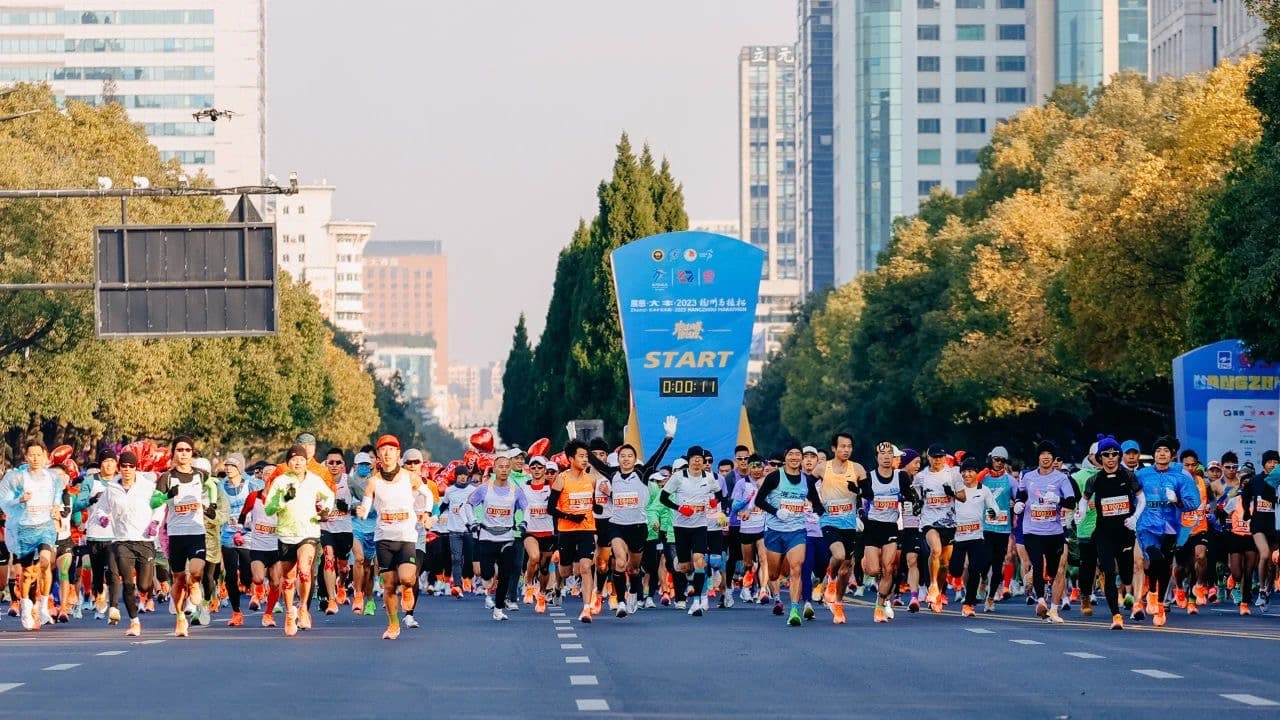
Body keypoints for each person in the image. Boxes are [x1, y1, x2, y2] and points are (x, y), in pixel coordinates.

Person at [588, 416, 676, 618]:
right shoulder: (612, 474)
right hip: (617, 526)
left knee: (634, 568)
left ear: (634, 459)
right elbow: (594, 461)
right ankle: (620, 602)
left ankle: (634, 593)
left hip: (638, 527)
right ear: (617, 459)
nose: (625, 459)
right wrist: (579, 444)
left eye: (629, 456)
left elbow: (656, 459)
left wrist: (668, 438)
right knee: (619, 563)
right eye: (622, 456)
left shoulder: (642, 473)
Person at [356, 435, 430, 640]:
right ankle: (393, 624)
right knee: (388, 585)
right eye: (383, 450)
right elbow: (366, 502)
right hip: (384, 538)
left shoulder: (409, 477)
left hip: (406, 536)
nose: (387, 453)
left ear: (398, 454)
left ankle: (407, 589)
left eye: (391, 449)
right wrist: (362, 510)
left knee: (407, 577)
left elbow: (428, 495)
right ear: (378, 455)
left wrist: (427, 513)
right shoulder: (373, 481)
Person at [266, 444, 335, 637]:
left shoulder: (315, 480)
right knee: (288, 578)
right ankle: (289, 613)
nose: (297, 462)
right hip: (286, 534)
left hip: (309, 532)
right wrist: (284, 500)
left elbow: (329, 496)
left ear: (307, 462)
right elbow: (269, 509)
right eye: (293, 459)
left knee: (305, 570)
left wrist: (325, 510)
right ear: (288, 462)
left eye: (301, 459)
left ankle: (303, 607)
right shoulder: (280, 481)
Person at [152, 436, 215, 637]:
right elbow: (153, 502)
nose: (184, 453)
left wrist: (211, 505)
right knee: (178, 579)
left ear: (192, 453)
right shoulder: (167, 478)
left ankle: (195, 584)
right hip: (176, 534)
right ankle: (180, 616)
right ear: (174, 453)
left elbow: (213, 486)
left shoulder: (200, 475)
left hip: (196, 531)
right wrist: (167, 495)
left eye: (188, 450)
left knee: (196, 571)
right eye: (180, 450)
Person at [755, 445, 825, 626]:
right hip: (775, 531)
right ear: (785, 458)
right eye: (791, 454)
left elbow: (817, 505)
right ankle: (775, 590)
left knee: (796, 569)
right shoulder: (774, 477)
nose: (794, 457)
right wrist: (776, 511)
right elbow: (759, 500)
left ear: (801, 459)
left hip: (797, 530)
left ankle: (794, 610)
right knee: (774, 574)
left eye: (797, 454)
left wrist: (820, 514)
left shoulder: (806, 481)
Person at [0, 439, 65, 631]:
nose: (35, 458)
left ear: (45, 456)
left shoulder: (53, 477)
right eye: (32, 455)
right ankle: (27, 606)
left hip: (45, 527)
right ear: (26, 457)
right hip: (25, 529)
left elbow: (57, 497)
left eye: (39, 454)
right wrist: (20, 499)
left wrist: (56, 510)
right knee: (28, 574)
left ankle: (43, 605)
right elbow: (4, 501)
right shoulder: (17, 478)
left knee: (45, 562)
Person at [1134, 437, 1197, 628]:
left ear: (1172, 455)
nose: (1162, 453)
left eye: (1166, 451)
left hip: (1170, 526)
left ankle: (1160, 606)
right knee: (1154, 558)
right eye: (1158, 450)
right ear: (1153, 454)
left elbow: (1193, 502)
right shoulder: (1142, 475)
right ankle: (1152, 593)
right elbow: (1130, 495)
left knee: (1165, 566)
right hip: (1147, 526)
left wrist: (1177, 500)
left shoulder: (1180, 476)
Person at [97, 450, 161, 636]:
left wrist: (154, 522)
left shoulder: (147, 486)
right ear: (120, 468)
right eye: (123, 466)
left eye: (130, 467)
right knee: (127, 582)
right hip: (122, 540)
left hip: (144, 539)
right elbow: (102, 509)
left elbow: (160, 505)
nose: (126, 470)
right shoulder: (111, 488)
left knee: (143, 585)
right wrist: (103, 518)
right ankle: (134, 622)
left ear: (136, 468)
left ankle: (145, 593)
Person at [1081, 436, 1143, 630]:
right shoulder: (1095, 479)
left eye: (1114, 454)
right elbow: (1084, 499)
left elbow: (1142, 499)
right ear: (1100, 457)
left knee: (1125, 574)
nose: (1110, 458)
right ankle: (1116, 615)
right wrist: (1080, 512)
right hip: (1104, 533)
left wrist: (1134, 518)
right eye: (1106, 455)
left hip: (1124, 532)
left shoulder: (1128, 476)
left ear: (1119, 456)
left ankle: (1125, 586)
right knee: (1108, 571)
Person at [1014, 440, 1078, 624]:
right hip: (1032, 529)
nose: (1046, 457)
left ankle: (1055, 609)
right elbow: (1021, 494)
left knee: (1054, 570)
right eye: (1042, 453)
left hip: (1054, 531)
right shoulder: (1028, 477)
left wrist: (1057, 499)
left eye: (1049, 454)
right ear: (1038, 457)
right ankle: (1041, 601)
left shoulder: (1061, 478)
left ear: (1053, 458)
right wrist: (1019, 503)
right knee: (1037, 564)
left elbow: (1071, 501)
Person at [661, 444, 722, 618]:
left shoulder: (709, 477)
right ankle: (684, 572)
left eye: (700, 459)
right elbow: (664, 498)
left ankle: (696, 602)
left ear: (703, 461)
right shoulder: (679, 477)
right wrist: (679, 508)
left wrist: (713, 502)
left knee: (699, 560)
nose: (697, 462)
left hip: (700, 526)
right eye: (694, 458)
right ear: (689, 461)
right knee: (685, 566)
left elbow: (720, 495)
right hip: (681, 526)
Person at [467, 454, 529, 621]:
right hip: (487, 537)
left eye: (506, 467)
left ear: (510, 470)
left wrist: (524, 523)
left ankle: (499, 608)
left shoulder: (516, 490)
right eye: (500, 467)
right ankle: (488, 580)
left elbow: (527, 507)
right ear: (494, 469)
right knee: (486, 576)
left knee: (505, 574)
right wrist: (472, 522)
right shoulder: (484, 488)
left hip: (507, 537)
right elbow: (468, 504)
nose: (503, 470)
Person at [858, 442, 912, 623]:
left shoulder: (901, 477)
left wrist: (915, 501)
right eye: (882, 454)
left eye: (890, 454)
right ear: (877, 458)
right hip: (872, 526)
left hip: (891, 526)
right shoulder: (869, 477)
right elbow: (861, 498)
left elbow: (909, 495)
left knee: (889, 568)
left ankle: (880, 604)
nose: (887, 457)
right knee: (874, 570)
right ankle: (867, 565)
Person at [548, 440, 598, 623]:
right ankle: (559, 574)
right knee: (566, 571)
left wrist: (601, 503)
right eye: (581, 456)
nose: (585, 460)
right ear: (571, 459)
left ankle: (586, 608)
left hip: (587, 529)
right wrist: (570, 516)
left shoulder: (591, 479)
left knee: (586, 567)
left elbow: (597, 505)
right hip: (566, 530)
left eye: (587, 456)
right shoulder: (562, 479)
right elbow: (550, 509)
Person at [818, 433, 866, 624]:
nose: (846, 450)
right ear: (833, 448)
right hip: (829, 521)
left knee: (846, 570)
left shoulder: (858, 468)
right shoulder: (823, 468)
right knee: (838, 555)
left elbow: (868, 491)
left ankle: (838, 603)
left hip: (849, 523)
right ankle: (830, 579)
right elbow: (805, 484)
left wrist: (859, 491)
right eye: (842, 446)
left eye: (849, 447)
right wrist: (815, 504)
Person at [914, 444, 964, 614]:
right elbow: (916, 498)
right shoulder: (921, 477)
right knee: (935, 551)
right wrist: (916, 504)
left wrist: (952, 494)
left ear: (945, 458)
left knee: (944, 563)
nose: (937, 460)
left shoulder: (954, 474)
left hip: (949, 522)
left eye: (940, 457)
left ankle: (939, 593)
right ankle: (933, 586)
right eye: (934, 457)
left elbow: (963, 497)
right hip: (929, 521)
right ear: (928, 458)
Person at [951, 457, 1001, 616]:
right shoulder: (956, 491)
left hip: (977, 538)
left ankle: (968, 604)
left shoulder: (984, 490)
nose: (966, 474)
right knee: (956, 570)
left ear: (977, 473)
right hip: (958, 537)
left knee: (975, 570)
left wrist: (993, 513)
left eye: (970, 471)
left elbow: (995, 508)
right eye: (964, 471)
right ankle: (957, 585)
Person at [219, 453, 255, 627]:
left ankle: (251, 585)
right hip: (227, 535)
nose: (228, 468)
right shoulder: (220, 487)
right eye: (226, 465)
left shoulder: (250, 485)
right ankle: (236, 612)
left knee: (248, 575)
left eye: (232, 466)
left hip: (247, 534)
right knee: (230, 575)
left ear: (240, 468)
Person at [978, 446, 1016, 612]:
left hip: (1003, 528)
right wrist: (985, 469)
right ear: (990, 459)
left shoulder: (1010, 480)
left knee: (997, 564)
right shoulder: (984, 477)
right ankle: (983, 580)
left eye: (1002, 460)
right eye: (996, 459)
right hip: (985, 527)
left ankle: (991, 598)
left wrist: (1016, 504)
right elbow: (972, 486)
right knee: (984, 560)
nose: (999, 463)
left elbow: (1020, 495)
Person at [319, 447, 355, 616]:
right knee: (328, 558)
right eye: (330, 462)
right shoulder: (319, 482)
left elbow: (366, 500)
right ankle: (332, 600)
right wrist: (318, 514)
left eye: (337, 462)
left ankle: (341, 586)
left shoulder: (350, 481)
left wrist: (348, 507)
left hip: (345, 530)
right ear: (325, 464)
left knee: (343, 567)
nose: (333, 465)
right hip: (326, 529)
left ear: (343, 465)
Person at [521, 456, 555, 613]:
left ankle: (541, 593)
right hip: (530, 531)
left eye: (539, 468)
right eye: (533, 468)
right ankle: (528, 585)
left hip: (548, 531)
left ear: (544, 470)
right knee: (534, 557)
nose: (536, 470)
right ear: (530, 470)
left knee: (544, 568)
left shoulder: (552, 487)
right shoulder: (523, 487)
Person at [348, 451, 378, 616]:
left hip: (373, 529)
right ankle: (358, 595)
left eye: (367, 465)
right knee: (358, 560)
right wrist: (353, 508)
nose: (365, 467)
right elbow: (344, 505)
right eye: (362, 465)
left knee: (367, 569)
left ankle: (370, 599)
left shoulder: (376, 482)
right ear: (355, 466)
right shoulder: (349, 483)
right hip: (356, 527)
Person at [441, 465, 477, 598]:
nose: (462, 477)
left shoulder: (473, 490)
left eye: (465, 474)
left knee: (469, 559)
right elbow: (443, 505)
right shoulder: (449, 491)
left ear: (468, 476)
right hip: (454, 530)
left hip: (468, 530)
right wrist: (433, 517)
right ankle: (457, 586)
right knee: (456, 559)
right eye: (460, 475)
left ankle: (468, 579)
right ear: (456, 476)